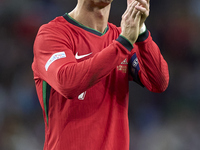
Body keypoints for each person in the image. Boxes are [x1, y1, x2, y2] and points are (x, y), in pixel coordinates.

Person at [32, 0, 169, 149]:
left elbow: (159, 82)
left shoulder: (123, 37)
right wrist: (123, 43)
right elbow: (67, 83)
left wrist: (141, 30)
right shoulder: (52, 34)